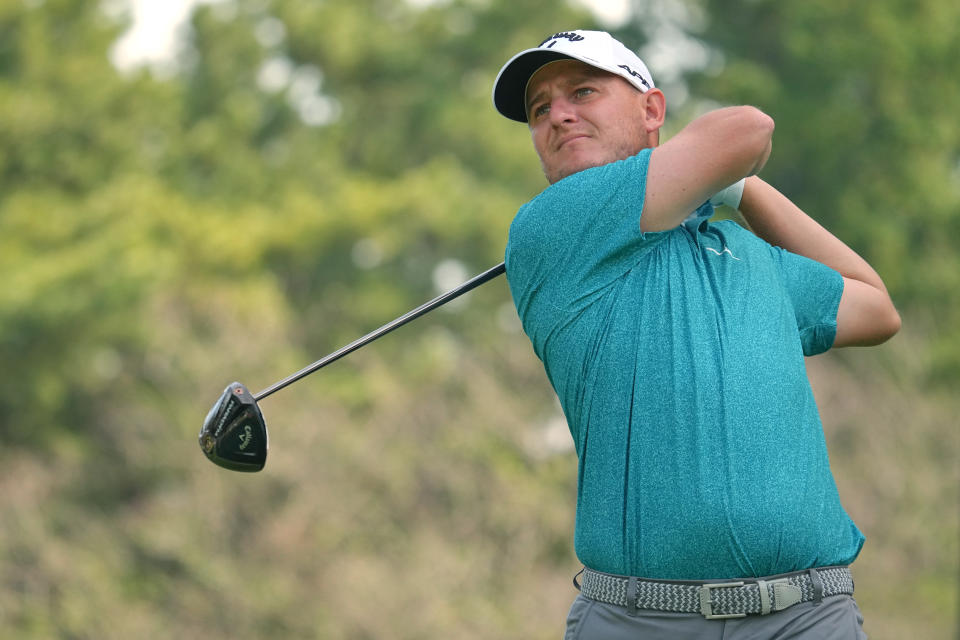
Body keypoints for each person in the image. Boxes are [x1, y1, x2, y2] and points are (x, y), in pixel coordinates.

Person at [492, 30, 900, 639]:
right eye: (540, 109)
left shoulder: (744, 252)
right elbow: (746, 130)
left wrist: (738, 190)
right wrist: (721, 171)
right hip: (638, 620)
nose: (559, 115)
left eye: (583, 91)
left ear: (651, 110)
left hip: (809, 616)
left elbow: (876, 308)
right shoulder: (553, 227)